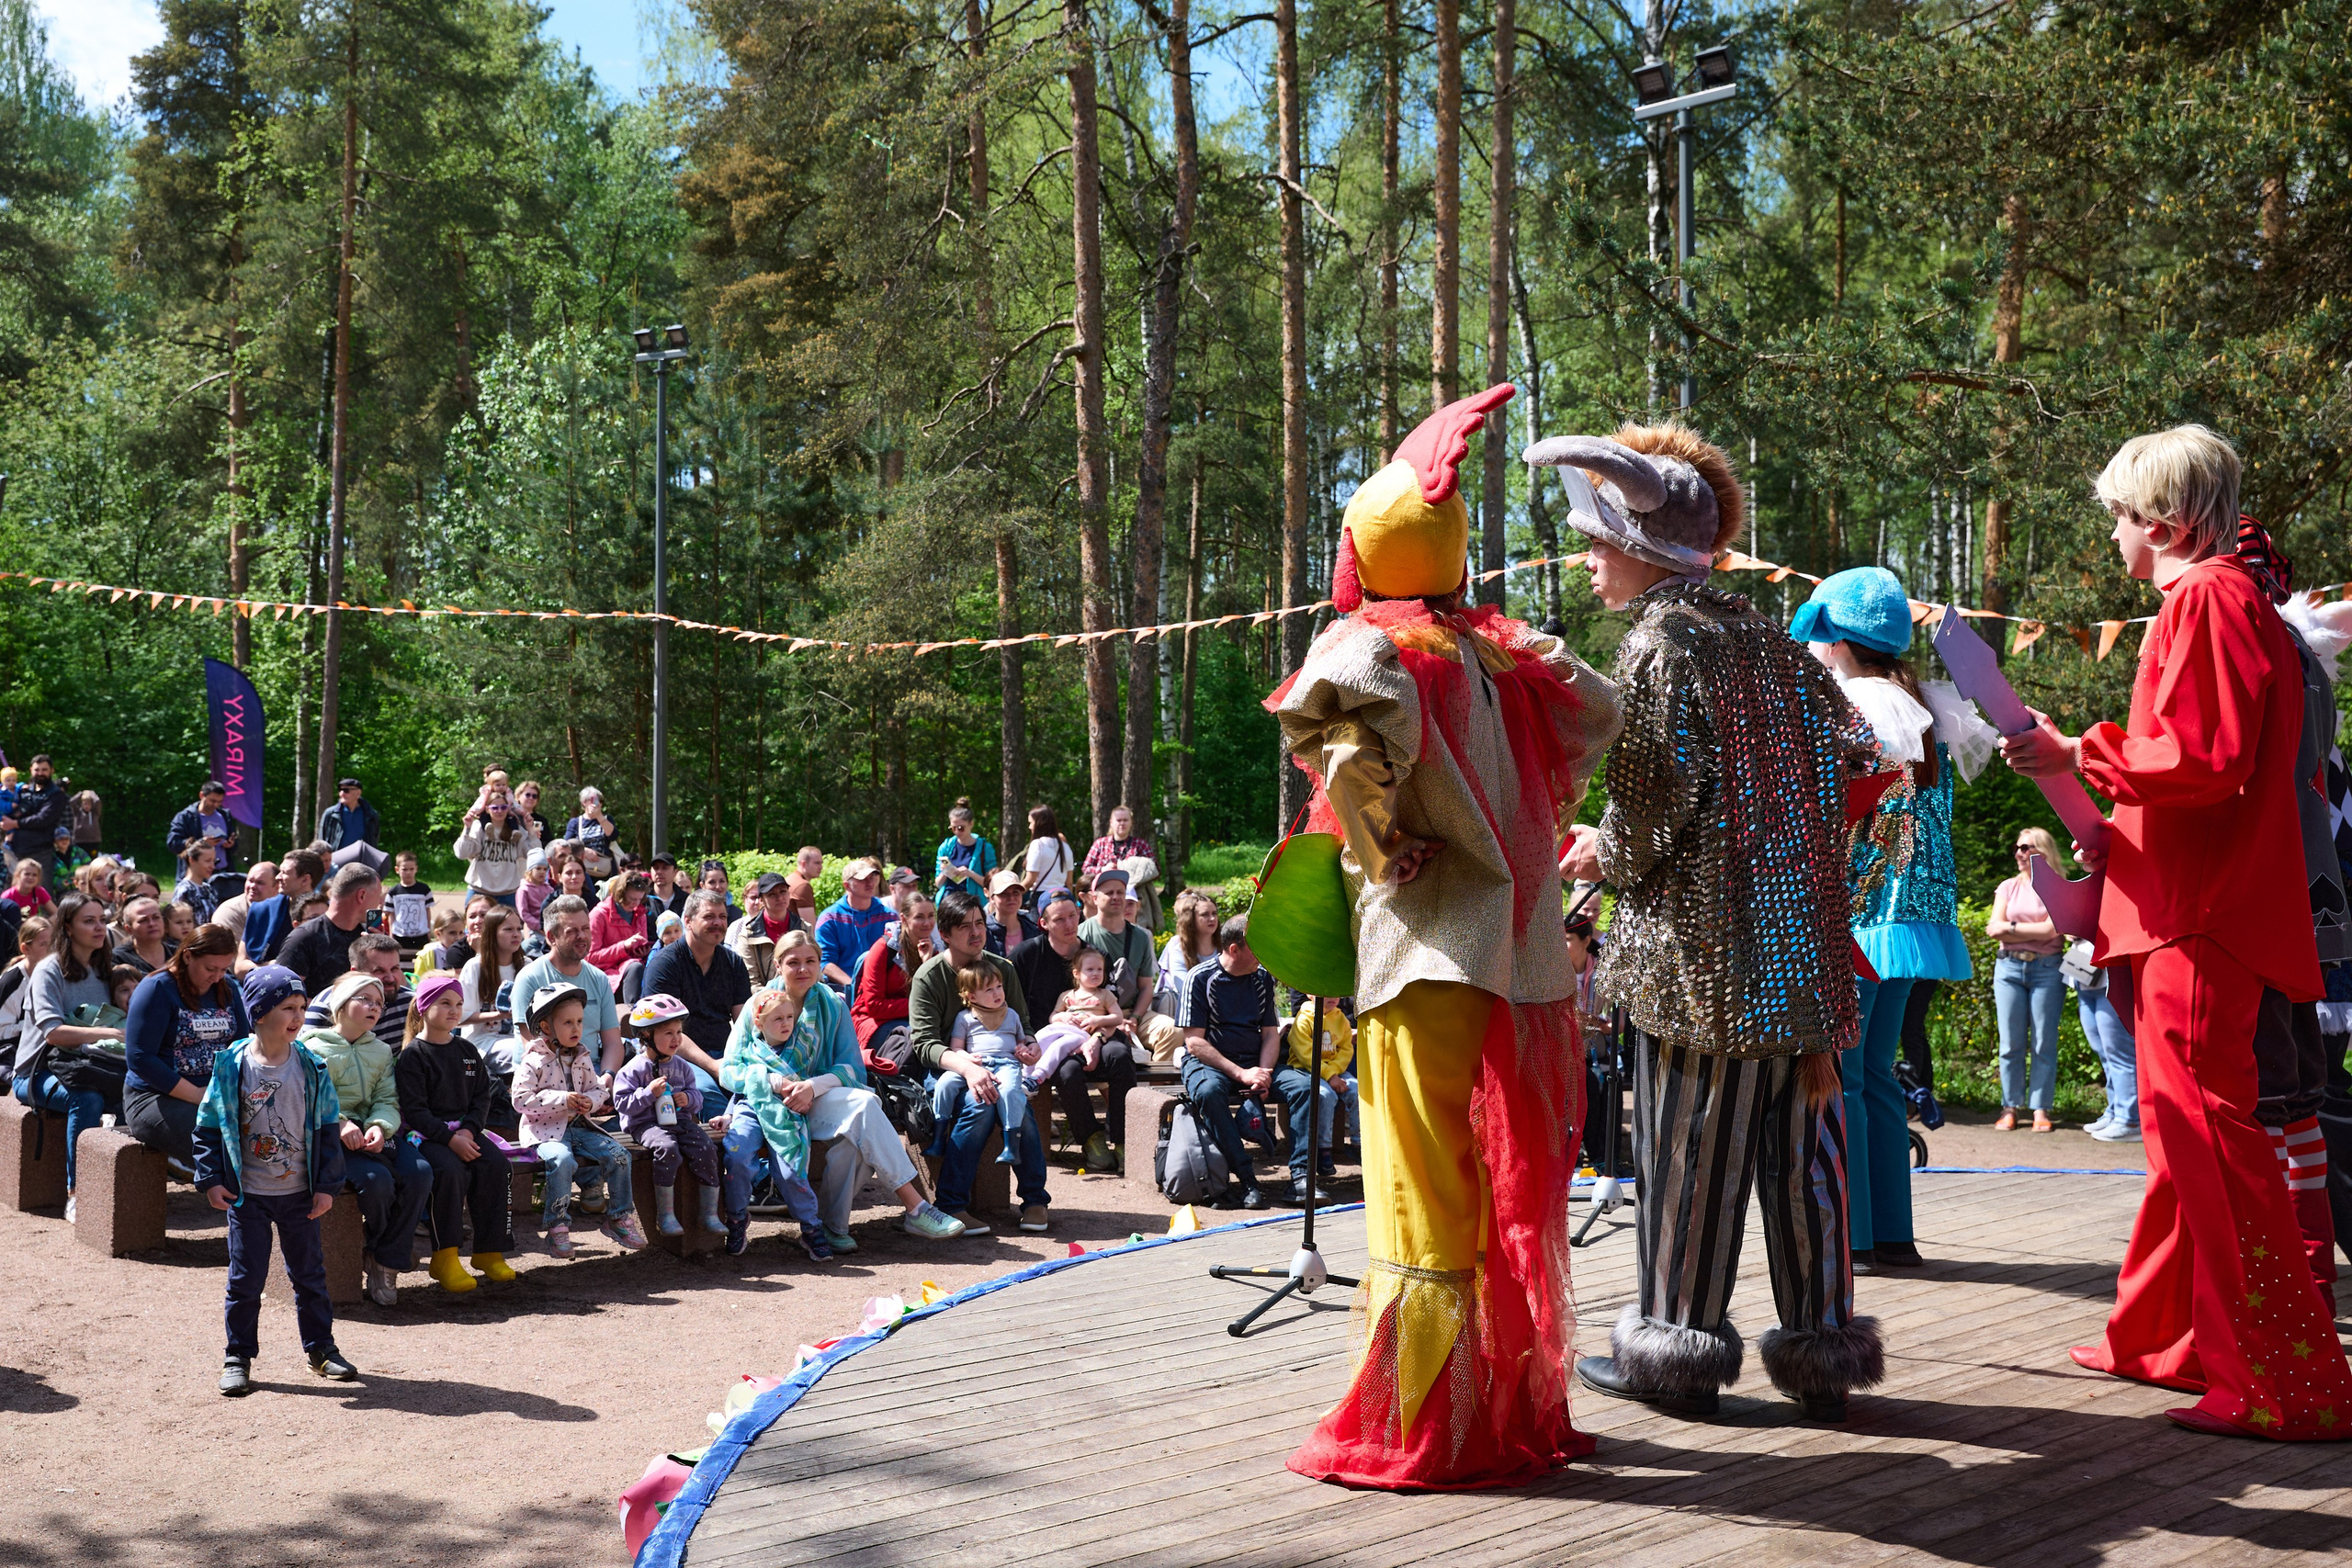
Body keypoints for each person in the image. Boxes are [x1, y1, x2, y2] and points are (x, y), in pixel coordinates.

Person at [2002, 423, 2352, 1438]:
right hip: (2195, 907)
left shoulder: (2204, 598)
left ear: (2160, 522)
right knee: (2183, 1135)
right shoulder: (2232, 600)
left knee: (2210, 1137)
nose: (2111, 536)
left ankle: (2289, 1383)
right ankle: (2160, 1334)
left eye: (2117, 516)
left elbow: (2204, 758)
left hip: (2198, 915)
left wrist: (2079, 750)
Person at [1534, 418, 1872, 1433]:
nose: (1588, 562)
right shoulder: (1777, 644)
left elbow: (1648, 807)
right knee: (1805, 1167)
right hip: (1802, 962)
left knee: (1693, 1163)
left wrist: (1601, 849)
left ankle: (1674, 1354)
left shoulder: (1662, 645)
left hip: (1699, 966)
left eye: (1598, 542)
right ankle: (1821, 1357)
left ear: (1640, 542)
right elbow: (1861, 763)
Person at [1791, 566, 1992, 1272]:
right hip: (1915, 919)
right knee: (1876, 1072)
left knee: (1842, 1075)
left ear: (1837, 640)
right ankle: (1892, 1234)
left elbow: (1828, 820)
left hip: (1862, 918)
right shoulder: (1924, 708)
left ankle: (1854, 1236)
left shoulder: (1853, 707)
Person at [722, 931, 967, 1258]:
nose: (803, 969)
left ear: (820, 964)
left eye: (811, 961)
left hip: (814, 1099)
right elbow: (729, 1070)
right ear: (778, 965)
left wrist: (813, 1087)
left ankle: (895, 1212)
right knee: (856, 1133)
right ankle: (879, 1216)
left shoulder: (832, 1005)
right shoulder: (759, 1005)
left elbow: (852, 1069)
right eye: (793, 962)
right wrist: (772, 1082)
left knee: (862, 1108)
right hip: (766, 1103)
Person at [198, 965, 355, 1395]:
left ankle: (321, 1349)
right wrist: (210, 1177)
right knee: (245, 1279)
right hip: (247, 1195)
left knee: (310, 1276)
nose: (298, 1016)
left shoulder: (312, 1066)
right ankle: (237, 1356)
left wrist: (327, 1187)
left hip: (299, 1193)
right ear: (260, 1012)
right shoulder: (231, 1066)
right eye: (288, 1007)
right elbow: (208, 1125)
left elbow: (328, 1128)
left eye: (302, 1007)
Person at [909, 889, 1046, 1235]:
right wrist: (968, 1068)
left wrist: (1030, 1046)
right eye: (965, 926)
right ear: (945, 934)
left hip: (1002, 1065)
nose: (976, 932)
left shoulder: (1003, 969)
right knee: (980, 1103)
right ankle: (951, 1204)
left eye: (980, 923)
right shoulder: (929, 977)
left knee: (1015, 1102)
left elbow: (1023, 1025)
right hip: (947, 1070)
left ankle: (1034, 1200)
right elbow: (924, 1045)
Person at [300, 972, 433, 1305]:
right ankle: (388, 1252)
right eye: (365, 1000)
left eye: (379, 1003)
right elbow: (307, 1100)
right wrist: (340, 1123)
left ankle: (383, 1256)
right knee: (376, 1181)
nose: (375, 1007)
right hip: (330, 1135)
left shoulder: (381, 1051)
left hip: (371, 1132)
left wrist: (380, 1126)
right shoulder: (312, 1048)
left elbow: (387, 1098)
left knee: (420, 1172)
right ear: (341, 1005)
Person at [394, 972, 516, 1293]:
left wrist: (469, 1131)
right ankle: (445, 1256)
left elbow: (481, 1096)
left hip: (466, 1132)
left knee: (497, 1166)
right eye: (445, 1003)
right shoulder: (413, 1056)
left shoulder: (467, 1051)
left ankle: (489, 1251)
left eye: (459, 1004)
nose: (454, 1010)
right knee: (449, 1171)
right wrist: (450, 1139)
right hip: (427, 1136)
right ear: (423, 1007)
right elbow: (415, 1111)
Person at [513, 982, 645, 1256]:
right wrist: (562, 1099)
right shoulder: (533, 1061)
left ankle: (619, 1218)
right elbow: (520, 1100)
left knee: (620, 1156)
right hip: (546, 1132)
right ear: (546, 1027)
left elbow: (598, 1089)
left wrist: (591, 1101)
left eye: (580, 1021)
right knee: (562, 1161)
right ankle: (557, 1227)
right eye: (568, 1022)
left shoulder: (581, 1055)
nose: (576, 1028)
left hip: (580, 1128)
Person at [1010, 890, 1130, 1172]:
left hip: (1099, 1034)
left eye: (1073, 916)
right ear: (1043, 923)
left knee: (1120, 1057)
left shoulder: (1095, 956)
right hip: (1049, 1040)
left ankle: (1124, 1140)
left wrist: (1096, 1039)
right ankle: (1091, 1139)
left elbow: (1112, 1010)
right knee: (1068, 1071)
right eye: (1059, 919)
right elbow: (1009, 1003)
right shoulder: (1027, 955)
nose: (1069, 924)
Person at [20, 895, 127, 1211]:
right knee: (88, 1100)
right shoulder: (48, 970)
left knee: (136, 1092)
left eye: (102, 920)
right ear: (67, 927)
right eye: (88, 921)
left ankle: (126, 1187)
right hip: (37, 1073)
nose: (99, 927)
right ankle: (77, 1193)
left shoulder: (104, 969)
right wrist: (108, 1033)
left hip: (93, 1066)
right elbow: (53, 1033)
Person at [1176, 919, 1281, 1212]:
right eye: (1258, 949)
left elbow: (1271, 1034)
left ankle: (1302, 1177)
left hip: (1255, 1062)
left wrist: (1263, 1073)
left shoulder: (1262, 978)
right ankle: (1247, 1180)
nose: (1264, 956)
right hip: (1209, 1062)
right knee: (1209, 1092)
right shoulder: (1200, 977)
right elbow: (1194, 1043)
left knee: (1304, 1087)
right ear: (1234, 949)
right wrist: (1241, 1074)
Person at [615, 993, 727, 1239]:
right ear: (646, 1035)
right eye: (668, 1033)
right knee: (667, 1148)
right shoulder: (633, 1069)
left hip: (680, 1122)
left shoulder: (682, 1066)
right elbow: (622, 1103)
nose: (676, 1039)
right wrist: (648, 1094)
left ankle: (709, 1213)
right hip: (645, 1124)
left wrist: (688, 1099)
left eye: (679, 1032)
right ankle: (665, 1215)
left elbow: (697, 1098)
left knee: (707, 1148)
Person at [1987, 827, 2069, 1133]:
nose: (2019, 853)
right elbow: (1993, 928)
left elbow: (2052, 930)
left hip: (2048, 969)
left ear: (2043, 852)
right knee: (2010, 1043)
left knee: (2044, 1042)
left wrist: (2010, 928)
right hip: (2008, 969)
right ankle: (2010, 1107)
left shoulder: (2058, 887)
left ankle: (2040, 1109)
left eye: (2026, 847)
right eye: (2018, 847)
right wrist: (2034, 931)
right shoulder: (2008, 886)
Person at [642, 891, 754, 1081]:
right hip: (677, 1057)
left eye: (722, 916)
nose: (718, 922)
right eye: (709, 916)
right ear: (687, 921)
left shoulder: (733, 963)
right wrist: (713, 1066)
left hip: (726, 1054)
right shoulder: (665, 965)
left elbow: (744, 1024)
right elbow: (664, 1031)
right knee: (706, 1092)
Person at [512, 896, 628, 1076]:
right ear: (551, 937)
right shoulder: (529, 978)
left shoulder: (599, 979)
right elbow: (531, 1046)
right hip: (542, 1076)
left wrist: (608, 1075)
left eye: (585, 928)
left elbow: (612, 1042)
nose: (582, 936)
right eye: (571, 931)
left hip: (591, 1072)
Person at [1077, 866, 1180, 1061]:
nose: (1116, 897)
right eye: (1109, 893)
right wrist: (1110, 1020)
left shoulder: (1141, 936)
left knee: (1173, 1031)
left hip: (1133, 1013)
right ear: (1094, 898)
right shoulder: (1081, 934)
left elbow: (1146, 987)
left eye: (1120, 892)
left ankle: (1156, 1080)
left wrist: (1134, 1019)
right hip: (1095, 1013)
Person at [850, 893, 934, 1072]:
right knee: (918, 1038)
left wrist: (927, 964)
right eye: (919, 917)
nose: (927, 923)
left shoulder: (932, 949)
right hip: (873, 1023)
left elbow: (935, 998)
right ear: (903, 918)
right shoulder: (883, 949)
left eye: (931, 916)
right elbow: (875, 1006)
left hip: (911, 1019)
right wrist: (918, 1006)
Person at [2065, 939, 2140, 1142]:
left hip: (2110, 976)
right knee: (2104, 1052)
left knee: (2119, 1053)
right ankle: (2115, 1111)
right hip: (2083, 975)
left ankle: (2130, 1120)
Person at [274, 863, 384, 998]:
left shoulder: (367, 937)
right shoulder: (304, 937)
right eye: (378, 895)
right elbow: (283, 995)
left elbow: (394, 987)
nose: (380, 902)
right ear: (362, 895)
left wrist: (381, 954)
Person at [457, 903, 526, 1077]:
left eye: (519, 928)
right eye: (508, 929)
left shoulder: (527, 965)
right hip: (483, 1043)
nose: (516, 934)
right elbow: (460, 1017)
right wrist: (501, 1015)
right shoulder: (475, 967)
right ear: (492, 933)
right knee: (525, 1055)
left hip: (521, 1037)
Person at [453, 779, 539, 908]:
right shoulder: (479, 827)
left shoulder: (516, 831)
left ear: (508, 809)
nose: (499, 811)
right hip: (479, 891)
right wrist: (467, 828)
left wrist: (530, 829)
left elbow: (535, 855)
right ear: (487, 809)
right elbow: (461, 853)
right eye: (495, 808)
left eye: (503, 807)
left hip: (508, 893)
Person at [814, 859, 893, 994]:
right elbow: (825, 963)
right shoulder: (830, 919)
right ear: (847, 886)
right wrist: (854, 986)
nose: (870, 882)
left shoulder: (889, 916)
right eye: (863, 879)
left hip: (882, 988)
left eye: (872, 877)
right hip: (843, 991)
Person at [239, 850, 324, 968]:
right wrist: (273, 967)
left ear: (305, 879)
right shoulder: (262, 910)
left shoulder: (326, 916)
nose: (278, 877)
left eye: (284, 873)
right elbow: (240, 966)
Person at [0, 916, 52, 1084]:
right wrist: (35, 1025)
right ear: (26, 949)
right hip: (12, 1050)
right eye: (44, 945)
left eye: (53, 943)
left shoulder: (54, 973)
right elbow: (2, 1030)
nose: (51, 950)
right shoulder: (12, 982)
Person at [0, 754, 65, 884]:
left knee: (41, 892)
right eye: (37, 770)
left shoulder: (56, 794)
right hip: (15, 851)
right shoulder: (24, 790)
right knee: (12, 892)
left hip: (40, 853)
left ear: (52, 770)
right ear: (31, 770)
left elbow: (42, 819)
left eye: (44, 770)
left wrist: (14, 823)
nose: (40, 773)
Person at [729, 872, 800, 987]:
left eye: (783, 891)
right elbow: (751, 981)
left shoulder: (804, 929)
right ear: (761, 900)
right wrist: (774, 997)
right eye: (772, 894)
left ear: (789, 894)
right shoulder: (748, 935)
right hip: (763, 996)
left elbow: (814, 971)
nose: (780, 897)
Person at [591, 870, 656, 979]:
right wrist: (623, 946)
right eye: (632, 899)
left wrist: (642, 953)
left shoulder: (641, 915)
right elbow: (590, 957)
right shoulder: (598, 915)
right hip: (605, 974)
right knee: (635, 967)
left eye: (639, 899)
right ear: (621, 893)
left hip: (633, 970)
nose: (636, 904)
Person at [933, 798, 999, 899]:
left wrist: (970, 874)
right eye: (953, 828)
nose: (957, 832)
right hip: (948, 901)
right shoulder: (945, 847)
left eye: (961, 828)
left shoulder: (985, 848)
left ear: (971, 824)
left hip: (973, 901)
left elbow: (992, 883)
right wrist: (945, 872)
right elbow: (938, 884)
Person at [165, 780, 236, 870]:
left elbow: (234, 845)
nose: (216, 805)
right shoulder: (186, 817)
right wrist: (200, 843)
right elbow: (173, 843)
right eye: (213, 801)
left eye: (220, 802)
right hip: (196, 872)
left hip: (223, 871)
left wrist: (230, 844)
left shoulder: (225, 816)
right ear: (202, 795)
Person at [211, 861, 277, 950]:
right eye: (250, 881)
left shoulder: (284, 908)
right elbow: (233, 953)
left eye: (260, 883)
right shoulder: (229, 911)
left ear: (276, 887)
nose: (253, 886)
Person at [1018, 805, 1075, 902]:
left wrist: (1013, 894)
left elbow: (1030, 880)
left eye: (1031, 823)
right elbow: (1069, 882)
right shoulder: (1065, 847)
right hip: (1062, 897)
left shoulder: (1038, 845)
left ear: (1039, 824)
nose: (1029, 827)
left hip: (1042, 898)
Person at [563, 787, 621, 880]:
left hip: (606, 868)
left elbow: (613, 836)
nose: (598, 803)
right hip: (584, 870)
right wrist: (583, 850)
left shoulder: (607, 819)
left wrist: (599, 816)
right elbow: (567, 843)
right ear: (584, 802)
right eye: (593, 800)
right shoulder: (575, 822)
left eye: (600, 801)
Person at [111, 896, 173, 979]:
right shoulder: (119, 959)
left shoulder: (178, 954)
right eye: (143, 920)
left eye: (156, 917)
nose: (152, 924)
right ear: (129, 929)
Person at [315, 777, 381, 855]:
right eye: (340, 790)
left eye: (346, 790)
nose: (341, 794)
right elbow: (322, 840)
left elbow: (374, 839)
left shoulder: (371, 815)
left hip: (362, 860)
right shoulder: (331, 814)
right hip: (336, 859)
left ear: (358, 793)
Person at [386, 851, 435, 956]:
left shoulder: (424, 890)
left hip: (420, 934)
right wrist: (391, 933)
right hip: (400, 935)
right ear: (397, 870)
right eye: (404, 869)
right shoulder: (393, 892)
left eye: (411, 869)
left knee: (423, 959)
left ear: (416, 869)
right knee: (400, 959)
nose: (408, 872)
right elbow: (391, 914)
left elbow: (427, 911)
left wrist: (428, 930)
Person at [983, 870, 1036, 956]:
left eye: (1016, 892)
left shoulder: (1034, 929)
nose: (1011, 898)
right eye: (1004, 894)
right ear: (992, 898)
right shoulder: (983, 932)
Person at [174, 840, 222, 923]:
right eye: (208, 861)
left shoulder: (209, 889)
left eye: (213, 861)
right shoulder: (184, 890)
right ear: (192, 860)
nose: (213, 866)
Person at [781, 846, 824, 927]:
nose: (821, 867)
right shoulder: (803, 886)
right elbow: (810, 927)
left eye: (821, 863)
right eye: (817, 863)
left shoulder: (789, 879)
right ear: (804, 864)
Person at [695, 859, 742, 926]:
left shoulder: (737, 914)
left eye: (721, 881)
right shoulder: (693, 910)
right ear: (702, 885)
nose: (718, 886)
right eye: (712, 882)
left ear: (727, 883)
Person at [512, 779, 550, 844]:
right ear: (518, 796)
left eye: (534, 796)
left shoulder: (541, 820)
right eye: (528, 795)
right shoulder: (512, 816)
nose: (531, 798)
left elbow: (548, 842)